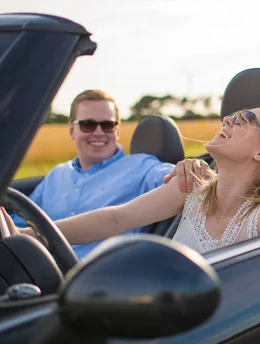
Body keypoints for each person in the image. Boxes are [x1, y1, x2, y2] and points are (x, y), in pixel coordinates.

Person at [5, 106, 260, 255]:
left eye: (245, 118)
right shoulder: (191, 189)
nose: (228, 118)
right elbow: (117, 219)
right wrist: (28, 236)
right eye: (232, 114)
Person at [11, 89, 174, 259]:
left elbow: (174, 177)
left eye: (108, 125)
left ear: (117, 131)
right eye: (87, 124)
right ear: (71, 130)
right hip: (40, 273)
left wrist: (186, 169)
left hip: (98, 280)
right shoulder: (56, 175)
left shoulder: (142, 167)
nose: (98, 132)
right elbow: (20, 220)